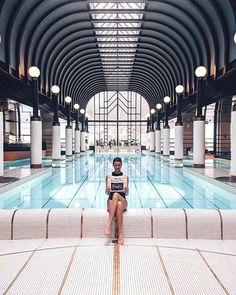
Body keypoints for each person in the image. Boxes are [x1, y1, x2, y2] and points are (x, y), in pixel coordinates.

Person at [104, 157, 128, 245]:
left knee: (116, 195)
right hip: (111, 201)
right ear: (113, 165)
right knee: (118, 204)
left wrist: (126, 190)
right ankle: (120, 235)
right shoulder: (108, 176)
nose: (117, 167)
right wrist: (107, 189)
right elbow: (106, 193)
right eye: (115, 165)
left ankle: (108, 224)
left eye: (119, 165)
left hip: (123, 199)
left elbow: (127, 193)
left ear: (121, 165)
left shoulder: (125, 177)